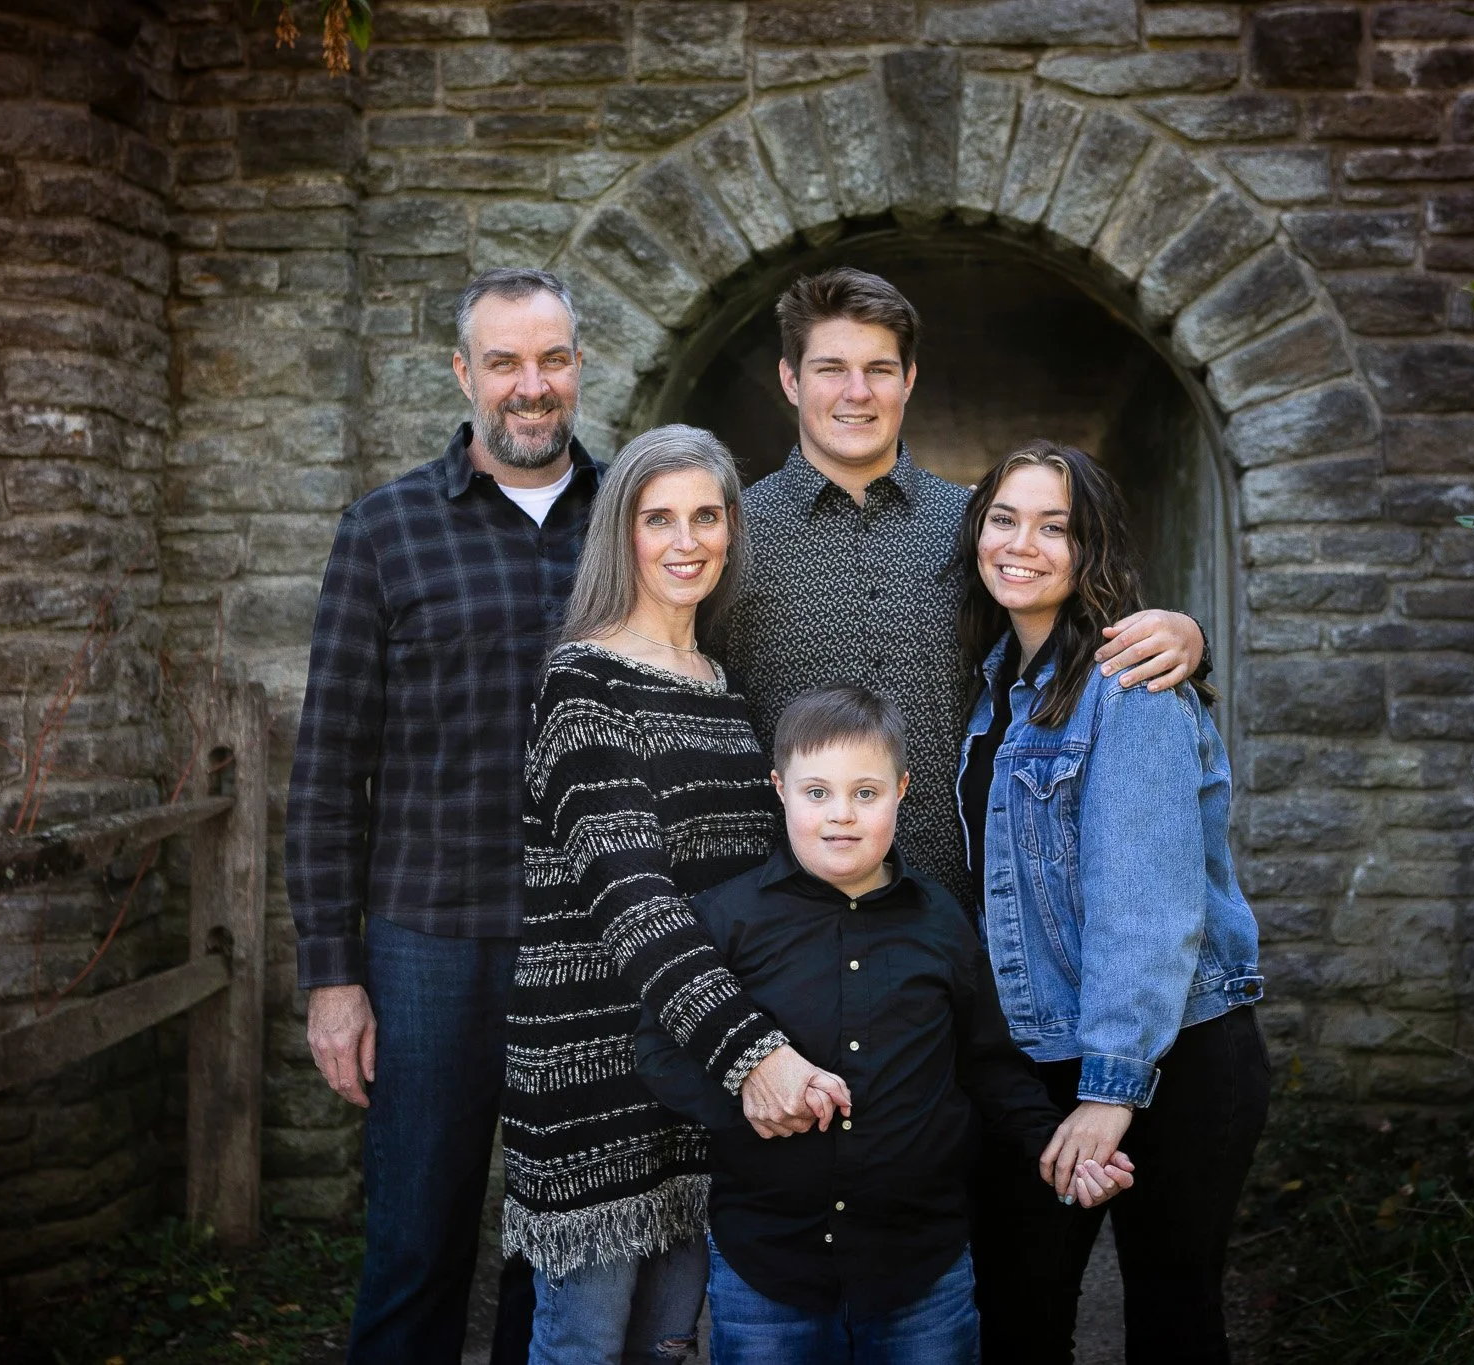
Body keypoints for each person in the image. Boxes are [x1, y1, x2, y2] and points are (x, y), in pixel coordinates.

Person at [285, 271, 836, 1365]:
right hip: (438, 938)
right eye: (503, 363)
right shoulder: (386, 530)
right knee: (415, 1242)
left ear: (578, 367)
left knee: (576, 1252)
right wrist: (331, 977)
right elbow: (325, 766)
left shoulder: (636, 514)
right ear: (464, 374)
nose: (529, 388)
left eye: (550, 361)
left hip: (606, 961)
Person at [636, 685, 1132, 1365]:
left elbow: (986, 1060)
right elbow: (659, 1047)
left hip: (919, 1266)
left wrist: (1055, 1147)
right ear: (780, 788)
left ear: (902, 789)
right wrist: (744, 1092)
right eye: (817, 792)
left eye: (865, 793)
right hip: (769, 1266)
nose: (840, 815)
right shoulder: (727, 918)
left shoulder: (940, 921)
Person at [503, 425, 856, 1365]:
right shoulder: (585, 686)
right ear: (623, 533)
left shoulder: (721, 687)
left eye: (706, 514)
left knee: (666, 1346)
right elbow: (638, 906)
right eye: (659, 518)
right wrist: (759, 1056)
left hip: (694, 1083)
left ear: (733, 530)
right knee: (586, 1347)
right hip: (596, 1079)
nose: (685, 538)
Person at [721, 268, 1209, 910]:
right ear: (791, 379)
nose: (857, 393)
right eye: (830, 368)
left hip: (959, 913)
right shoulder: (730, 538)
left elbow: (1079, 635)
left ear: (910, 380)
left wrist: (1187, 637)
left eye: (880, 369)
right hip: (785, 911)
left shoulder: (981, 529)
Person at [956, 441, 1270, 1365]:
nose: (1023, 543)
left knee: (1171, 1325)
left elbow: (1148, 905)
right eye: (1005, 518)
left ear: (1092, 549)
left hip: (1170, 1057)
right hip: (1044, 1051)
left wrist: (1110, 1087)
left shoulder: (1126, 688)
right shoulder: (996, 692)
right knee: (1016, 1315)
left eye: (1056, 526)